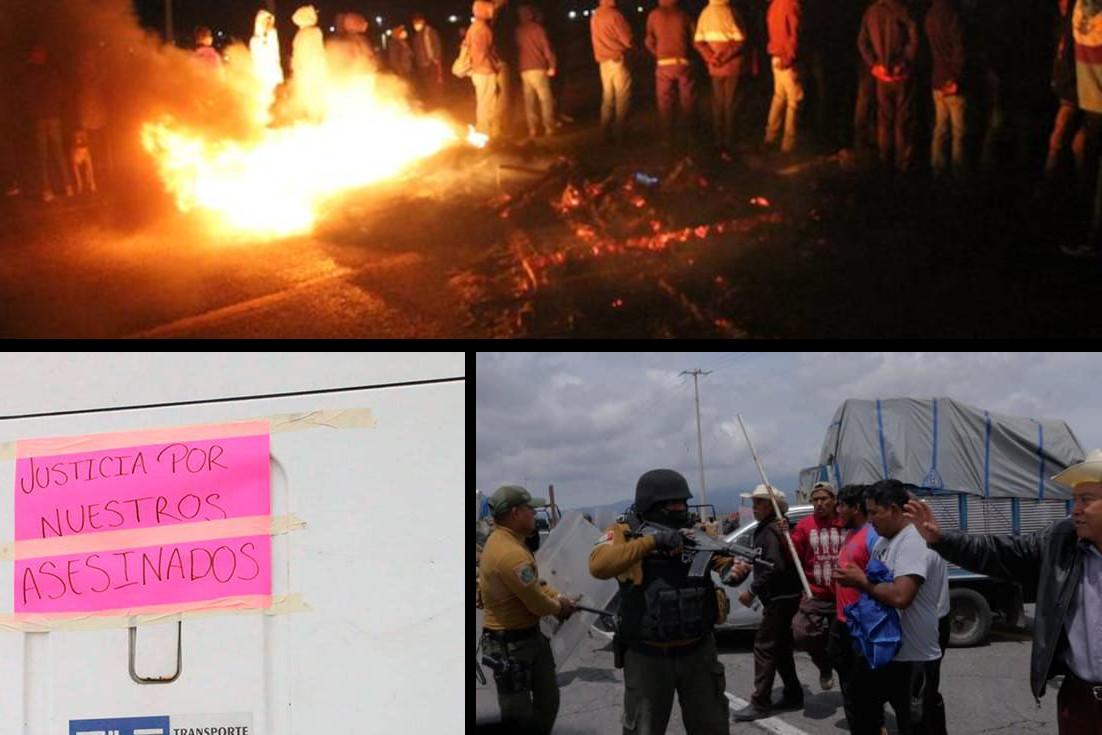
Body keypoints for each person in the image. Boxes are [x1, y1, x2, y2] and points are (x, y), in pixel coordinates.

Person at [905, 448, 1102, 734]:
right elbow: (1002, 553)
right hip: (1079, 701)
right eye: (1075, 499)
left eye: (1086, 500)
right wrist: (941, 539)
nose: (1075, 510)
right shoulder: (1062, 542)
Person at [589, 468, 744, 735]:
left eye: (684, 502)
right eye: (674, 503)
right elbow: (598, 565)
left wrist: (735, 571)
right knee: (643, 728)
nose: (681, 508)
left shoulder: (695, 532)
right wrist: (653, 542)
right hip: (648, 655)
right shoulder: (625, 533)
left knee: (712, 725)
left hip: (698, 652)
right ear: (652, 505)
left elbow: (722, 563)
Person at [834, 479, 947, 735]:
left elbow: (900, 596)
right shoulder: (884, 542)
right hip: (885, 651)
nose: (870, 519)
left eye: (875, 512)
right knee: (862, 707)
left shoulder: (914, 541)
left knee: (918, 724)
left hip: (914, 657)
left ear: (894, 510)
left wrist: (861, 581)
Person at [479, 484, 578, 735]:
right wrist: (560, 607)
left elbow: (534, 586)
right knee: (517, 715)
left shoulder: (509, 541)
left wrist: (557, 596)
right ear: (515, 513)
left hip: (529, 638)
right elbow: (535, 602)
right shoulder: (510, 552)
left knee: (548, 701)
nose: (535, 514)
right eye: (530, 510)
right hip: (511, 646)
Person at [732, 484, 805, 722]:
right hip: (784, 596)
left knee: (764, 647)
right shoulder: (771, 528)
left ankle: (760, 702)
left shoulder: (771, 530)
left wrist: (752, 590)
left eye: (760, 502)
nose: (754, 507)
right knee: (781, 648)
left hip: (779, 598)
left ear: (772, 506)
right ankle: (793, 694)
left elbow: (775, 566)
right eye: (754, 502)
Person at [788, 481, 844, 691]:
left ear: (834, 500)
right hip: (815, 593)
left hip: (843, 595)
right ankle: (824, 665)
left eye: (824, 499)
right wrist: (784, 534)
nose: (819, 503)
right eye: (815, 500)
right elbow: (792, 554)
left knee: (846, 644)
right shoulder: (804, 526)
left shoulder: (844, 522)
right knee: (802, 632)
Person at [828, 484, 875, 731]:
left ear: (856, 508)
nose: (837, 510)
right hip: (843, 621)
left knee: (862, 688)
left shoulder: (871, 536)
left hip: (862, 625)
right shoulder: (849, 533)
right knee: (846, 679)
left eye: (842, 505)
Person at [857, 0, 918, 174]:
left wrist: (874, 65)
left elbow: (862, 41)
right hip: (901, 75)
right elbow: (914, 39)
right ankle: (902, 166)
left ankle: (885, 161)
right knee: (902, 121)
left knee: (885, 118)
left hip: (882, 77)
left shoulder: (871, 11)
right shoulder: (903, 10)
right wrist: (904, 62)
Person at [693, 0, 747, 157]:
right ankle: (730, 142)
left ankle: (718, 142)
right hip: (732, 67)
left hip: (714, 68)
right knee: (731, 104)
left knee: (717, 104)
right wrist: (723, 57)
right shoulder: (730, 12)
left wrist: (711, 57)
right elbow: (740, 39)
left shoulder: (705, 13)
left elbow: (698, 41)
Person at [646, 0, 698, 151]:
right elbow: (695, 39)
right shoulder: (684, 15)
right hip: (683, 62)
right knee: (688, 100)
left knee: (665, 102)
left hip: (664, 63)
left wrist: (658, 54)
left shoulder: (653, 15)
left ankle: (668, 138)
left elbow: (649, 41)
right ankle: (691, 136)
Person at [25, 45, 74, 202]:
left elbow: (30, 96)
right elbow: (59, 93)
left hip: (46, 117)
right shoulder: (49, 72)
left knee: (46, 154)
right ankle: (63, 187)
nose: (37, 57)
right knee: (50, 154)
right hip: (49, 116)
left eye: (38, 55)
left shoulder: (34, 73)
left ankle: (57, 188)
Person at [925, 0, 967, 181]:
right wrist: (956, 76)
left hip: (937, 77)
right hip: (952, 81)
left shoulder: (930, 15)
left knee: (940, 127)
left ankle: (937, 170)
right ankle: (958, 172)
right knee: (959, 130)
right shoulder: (953, 15)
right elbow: (959, 47)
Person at [591, 0, 634, 143]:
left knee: (608, 97)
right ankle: (621, 132)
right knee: (622, 97)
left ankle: (605, 131)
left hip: (603, 62)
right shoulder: (615, 15)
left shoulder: (595, 15)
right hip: (617, 60)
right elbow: (627, 39)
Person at [763, 0, 803, 154]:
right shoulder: (792, 4)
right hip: (787, 59)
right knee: (794, 101)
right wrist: (790, 57)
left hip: (775, 55)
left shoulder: (774, 5)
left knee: (779, 97)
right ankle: (788, 145)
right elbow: (795, 33)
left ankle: (770, 137)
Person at [515, 4, 558, 139]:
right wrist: (552, 65)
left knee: (529, 102)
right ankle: (549, 127)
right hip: (538, 68)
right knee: (545, 99)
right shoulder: (538, 29)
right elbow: (546, 48)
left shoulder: (518, 31)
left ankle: (532, 129)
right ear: (531, 15)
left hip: (524, 69)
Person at [468, 0, 502, 138]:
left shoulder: (474, 27)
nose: (492, 10)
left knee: (484, 102)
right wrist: (493, 64)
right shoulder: (482, 29)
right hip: (484, 70)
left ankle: (487, 131)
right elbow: (482, 52)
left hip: (479, 71)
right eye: (489, 8)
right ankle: (485, 132)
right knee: (487, 103)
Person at [291, 5, 328, 121]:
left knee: (309, 97)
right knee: (313, 97)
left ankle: (313, 119)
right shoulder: (314, 32)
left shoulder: (301, 34)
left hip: (306, 71)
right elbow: (319, 52)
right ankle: (314, 119)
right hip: (312, 70)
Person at [250, 9, 284, 124]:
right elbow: (255, 58)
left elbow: (276, 55)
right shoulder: (255, 40)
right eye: (266, 22)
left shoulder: (273, 36)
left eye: (270, 22)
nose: (269, 24)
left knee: (274, 98)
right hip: (261, 73)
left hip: (273, 73)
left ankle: (275, 119)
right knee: (263, 98)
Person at [411, 13, 444, 104]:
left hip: (432, 62)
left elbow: (436, 45)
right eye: (414, 24)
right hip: (422, 64)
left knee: (435, 84)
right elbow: (417, 49)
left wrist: (436, 58)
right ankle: (433, 101)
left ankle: (438, 101)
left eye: (417, 23)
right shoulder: (417, 35)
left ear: (422, 22)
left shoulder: (430, 32)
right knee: (428, 84)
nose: (416, 25)